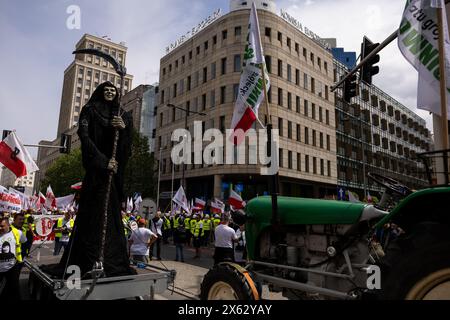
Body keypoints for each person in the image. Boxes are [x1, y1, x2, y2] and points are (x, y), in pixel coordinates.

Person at [44, 81, 135, 278]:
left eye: (113, 90)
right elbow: (85, 137)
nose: (110, 92)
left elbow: (127, 145)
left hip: (112, 174)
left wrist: (125, 128)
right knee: (94, 213)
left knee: (110, 213)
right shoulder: (90, 110)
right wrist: (103, 162)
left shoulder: (121, 113)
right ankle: (90, 259)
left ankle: (110, 259)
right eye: (107, 90)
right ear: (100, 92)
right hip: (96, 173)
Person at [0, 217, 23, 300]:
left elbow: (24, 241)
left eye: (2, 226)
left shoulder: (17, 233)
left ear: (8, 225)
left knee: (14, 289)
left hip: (12, 267)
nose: (0, 228)